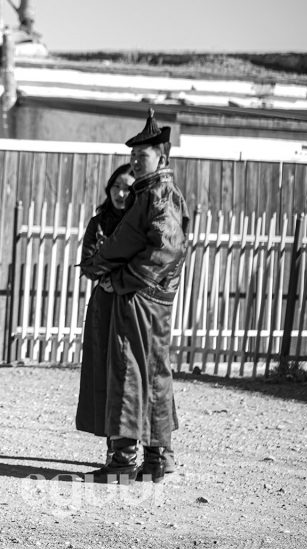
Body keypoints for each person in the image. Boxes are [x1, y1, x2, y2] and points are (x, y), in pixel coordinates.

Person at [80, 109, 188, 484]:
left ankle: (126, 462)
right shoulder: (149, 192)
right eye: (133, 155)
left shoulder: (160, 195)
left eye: (142, 155)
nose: (135, 162)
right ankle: (156, 460)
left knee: (130, 372)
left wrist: (122, 279)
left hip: (142, 297)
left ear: (162, 156)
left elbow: (167, 249)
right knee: (148, 374)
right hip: (144, 297)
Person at [76, 164, 134, 465]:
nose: (120, 194)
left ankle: (146, 450)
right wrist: (106, 274)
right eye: (116, 187)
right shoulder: (98, 222)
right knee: (104, 372)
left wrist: (117, 276)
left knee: (127, 372)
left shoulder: (138, 223)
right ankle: (113, 446)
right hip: (103, 305)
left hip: (132, 304)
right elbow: (87, 264)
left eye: (127, 188)